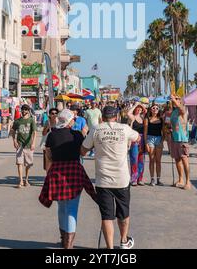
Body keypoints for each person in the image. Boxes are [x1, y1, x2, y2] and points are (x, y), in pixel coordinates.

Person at [81, 106, 139, 250]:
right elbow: (137, 137)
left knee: (107, 216)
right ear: (116, 116)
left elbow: (83, 151)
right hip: (122, 179)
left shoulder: (96, 129)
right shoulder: (124, 128)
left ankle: (109, 248)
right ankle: (124, 240)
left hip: (103, 180)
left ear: (102, 117)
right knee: (123, 213)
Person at [39, 110, 97, 250]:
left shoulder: (52, 135)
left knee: (61, 207)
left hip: (57, 172)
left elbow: (49, 155)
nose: (74, 121)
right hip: (74, 171)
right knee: (71, 208)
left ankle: (63, 239)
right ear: (69, 120)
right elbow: (83, 151)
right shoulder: (76, 135)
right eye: (73, 119)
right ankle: (68, 245)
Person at [11, 104, 37, 189]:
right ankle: (21, 181)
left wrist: (33, 143)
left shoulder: (31, 120)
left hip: (29, 145)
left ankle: (27, 179)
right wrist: (14, 141)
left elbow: (34, 132)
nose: (23, 111)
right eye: (22, 109)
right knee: (19, 163)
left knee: (28, 164)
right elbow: (13, 131)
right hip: (20, 145)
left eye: (25, 110)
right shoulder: (17, 121)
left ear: (28, 111)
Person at [170, 95, 192, 190]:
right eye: (175, 99)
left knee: (184, 160)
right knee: (177, 160)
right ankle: (180, 179)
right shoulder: (173, 112)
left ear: (181, 101)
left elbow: (179, 107)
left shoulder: (183, 110)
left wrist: (174, 99)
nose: (175, 100)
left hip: (183, 140)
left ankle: (188, 181)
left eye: (178, 98)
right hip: (175, 139)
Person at [144, 104, 164, 187]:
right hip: (150, 139)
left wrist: (163, 140)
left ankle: (158, 179)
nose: (155, 109)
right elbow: (145, 132)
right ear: (150, 109)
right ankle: (152, 179)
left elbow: (163, 130)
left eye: (157, 108)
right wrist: (146, 143)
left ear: (159, 110)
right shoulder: (147, 119)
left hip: (159, 139)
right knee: (152, 159)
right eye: (153, 108)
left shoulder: (161, 119)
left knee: (158, 160)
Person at [127, 103, 147, 186]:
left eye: (140, 109)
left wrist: (141, 105)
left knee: (141, 160)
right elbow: (128, 113)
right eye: (137, 109)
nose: (139, 110)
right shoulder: (132, 117)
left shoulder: (143, 118)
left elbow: (146, 110)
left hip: (142, 140)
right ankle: (134, 179)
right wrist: (135, 105)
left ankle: (140, 178)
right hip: (134, 140)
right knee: (134, 159)